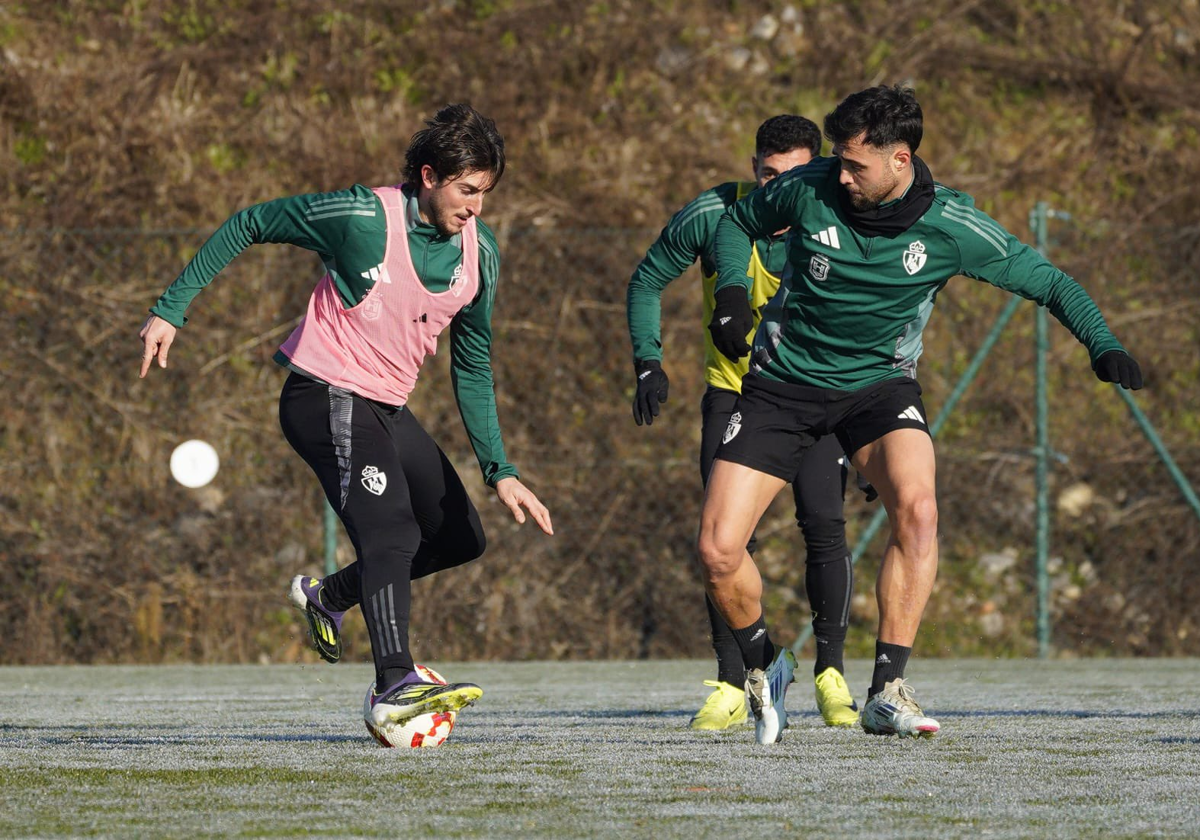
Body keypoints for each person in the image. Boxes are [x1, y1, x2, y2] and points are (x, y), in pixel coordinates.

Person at [701, 85, 1143, 744]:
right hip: (782, 385)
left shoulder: (953, 226)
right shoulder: (810, 188)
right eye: (839, 163)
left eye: (856, 165)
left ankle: (886, 688)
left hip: (878, 387)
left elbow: (1049, 281)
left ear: (900, 159)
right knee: (716, 551)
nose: (839, 174)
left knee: (920, 507)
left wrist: (1102, 342)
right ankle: (769, 667)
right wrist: (734, 290)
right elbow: (737, 224)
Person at [138, 103, 554, 745]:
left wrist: (501, 470)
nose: (476, 206)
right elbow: (251, 221)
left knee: (459, 537)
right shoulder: (362, 217)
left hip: (384, 405)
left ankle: (330, 595)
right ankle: (395, 684)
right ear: (428, 176)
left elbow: (471, 364)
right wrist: (172, 309)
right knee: (389, 530)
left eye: (485, 193)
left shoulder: (480, 255)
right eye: (466, 190)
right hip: (322, 394)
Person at [626, 115, 863, 731]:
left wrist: (872, 428)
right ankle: (738, 683)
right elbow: (647, 279)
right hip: (734, 395)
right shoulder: (713, 215)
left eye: (794, 174)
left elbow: (882, 310)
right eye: (767, 175)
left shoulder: (838, 212)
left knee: (824, 523)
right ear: (753, 167)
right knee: (723, 543)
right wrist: (648, 362)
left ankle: (831, 676)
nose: (777, 188)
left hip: (818, 396)